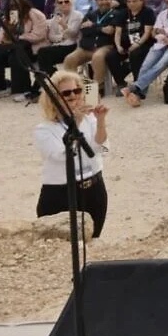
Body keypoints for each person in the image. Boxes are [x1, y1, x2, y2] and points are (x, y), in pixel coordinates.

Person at [34, 70, 109, 237]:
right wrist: (75, 121)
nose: (73, 96)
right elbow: (61, 155)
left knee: (94, 238)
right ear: (54, 98)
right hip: (62, 192)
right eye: (66, 93)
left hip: (94, 188)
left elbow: (100, 146)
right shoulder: (44, 129)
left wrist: (101, 120)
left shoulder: (90, 119)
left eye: (77, 91)